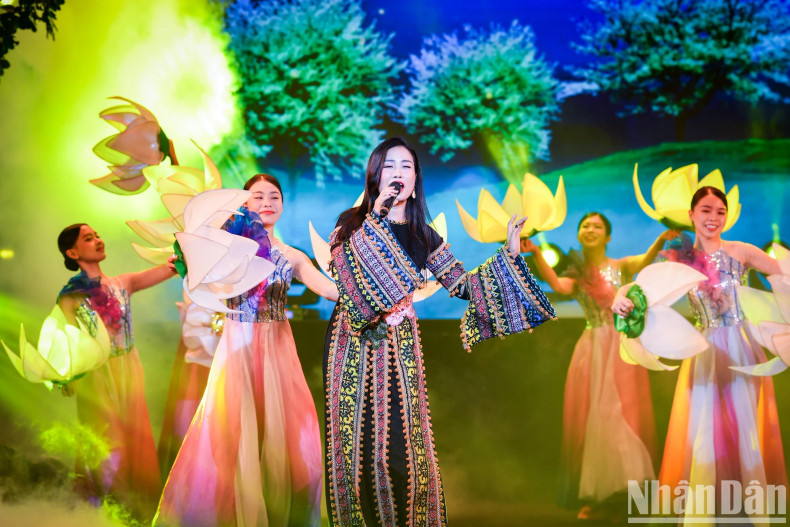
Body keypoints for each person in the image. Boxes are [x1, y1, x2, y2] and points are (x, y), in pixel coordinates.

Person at [324, 136, 556, 526]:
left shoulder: (424, 235)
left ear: (416, 178)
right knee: (360, 451)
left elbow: (463, 286)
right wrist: (375, 217)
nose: (398, 174)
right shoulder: (350, 223)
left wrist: (509, 255)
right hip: (355, 345)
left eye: (406, 167)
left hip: (400, 347)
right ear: (375, 175)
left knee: (404, 453)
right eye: (390, 166)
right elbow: (346, 273)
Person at [156, 174, 338, 526]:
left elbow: (327, 290)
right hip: (238, 345)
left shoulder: (291, 255)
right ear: (244, 204)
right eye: (258, 196)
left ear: (283, 205)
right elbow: (198, 273)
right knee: (232, 429)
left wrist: (367, 291)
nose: (268, 201)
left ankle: (278, 513)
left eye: (275, 196)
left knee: (284, 432)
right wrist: (186, 260)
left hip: (277, 349)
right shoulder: (229, 247)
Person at [612, 186, 788, 518]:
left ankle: (747, 514)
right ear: (691, 214)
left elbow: (783, 272)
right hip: (703, 347)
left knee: (745, 424)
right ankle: (706, 513)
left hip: (743, 347)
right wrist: (618, 297)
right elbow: (635, 286)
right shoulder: (678, 257)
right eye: (706, 210)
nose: (713, 218)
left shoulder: (741, 251)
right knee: (706, 425)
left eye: (720, 212)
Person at [522, 213, 676, 520]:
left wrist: (660, 240)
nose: (590, 230)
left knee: (622, 416)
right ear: (579, 235)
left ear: (607, 236)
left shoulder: (621, 265)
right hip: (592, 349)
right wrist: (537, 253)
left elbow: (644, 263)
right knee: (596, 420)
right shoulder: (577, 273)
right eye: (585, 226)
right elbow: (558, 286)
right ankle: (597, 493)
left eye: (598, 226)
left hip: (622, 347)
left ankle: (627, 492)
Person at [56, 223, 176, 519]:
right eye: (89, 238)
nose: (98, 239)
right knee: (106, 441)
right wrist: (65, 375)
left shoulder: (124, 282)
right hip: (96, 373)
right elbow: (65, 339)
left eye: (97, 234)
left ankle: (135, 511)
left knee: (134, 437)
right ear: (73, 252)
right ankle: (106, 513)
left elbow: (168, 269)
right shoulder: (70, 296)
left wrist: (185, 253)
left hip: (129, 367)